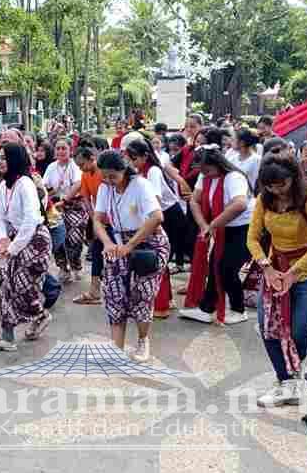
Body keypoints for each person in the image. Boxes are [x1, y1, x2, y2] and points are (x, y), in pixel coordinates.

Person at [247, 156, 307, 407]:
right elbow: (252, 239)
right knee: (269, 327)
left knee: (297, 330)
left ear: (293, 178)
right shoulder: (265, 201)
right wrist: (267, 268)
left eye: (281, 185)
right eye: (270, 186)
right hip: (275, 271)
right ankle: (285, 381)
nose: (277, 191)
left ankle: (295, 372)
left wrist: (294, 272)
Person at [91, 151, 169, 362]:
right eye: (104, 176)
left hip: (148, 244)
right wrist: (107, 242)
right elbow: (97, 220)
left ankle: (143, 341)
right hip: (117, 243)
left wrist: (130, 245)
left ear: (124, 170)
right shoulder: (104, 189)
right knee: (114, 295)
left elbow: (156, 217)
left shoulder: (140, 185)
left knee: (141, 295)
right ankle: (117, 348)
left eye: (112, 176)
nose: (108, 181)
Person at [0, 143, 53, 351]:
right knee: (5, 285)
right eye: (0, 157)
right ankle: (7, 336)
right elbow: (0, 217)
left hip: (36, 240)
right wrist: (3, 239)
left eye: (5, 157)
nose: (0, 161)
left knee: (22, 285)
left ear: (16, 160)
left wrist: (12, 248)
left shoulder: (25, 184)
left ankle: (40, 314)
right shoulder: (4, 186)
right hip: (16, 238)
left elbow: (31, 220)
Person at [180, 146, 254, 325]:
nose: (204, 174)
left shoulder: (233, 177)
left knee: (226, 270)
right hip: (223, 227)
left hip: (244, 228)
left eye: (207, 170)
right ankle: (207, 308)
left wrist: (212, 225)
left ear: (218, 164)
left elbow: (239, 204)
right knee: (215, 266)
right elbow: (194, 201)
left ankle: (238, 309)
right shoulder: (204, 177)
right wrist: (204, 225)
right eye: (201, 171)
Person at [125, 139, 186, 319]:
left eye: (134, 158)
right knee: (162, 263)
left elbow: (156, 202)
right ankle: (165, 300)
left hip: (168, 217)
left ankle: (162, 305)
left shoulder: (152, 171)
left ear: (145, 156)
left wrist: (149, 227)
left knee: (160, 261)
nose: (131, 162)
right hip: (160, 216)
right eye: (129, 159)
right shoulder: (141, 171)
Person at [43, 138, 85, 284]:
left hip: (74, 206)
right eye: (58, 148)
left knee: (74, 238)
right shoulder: (51, 167)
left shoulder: (75, 166)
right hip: (55, 207)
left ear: (70, 150)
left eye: (64, 148)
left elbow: (78, 184)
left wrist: (65, 199)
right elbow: (45, 186)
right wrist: (51, 195)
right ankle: (63, 267)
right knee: (57, 239)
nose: (60, 151)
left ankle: (76, 265)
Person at [73, 146, 104, 304]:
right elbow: (86, 198)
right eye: (79, 166)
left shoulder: (104, 172)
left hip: (113, 220)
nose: (81, 168)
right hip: (99, 218)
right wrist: (94, 219)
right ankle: (94, 290)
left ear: (92, 158)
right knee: (97, 252)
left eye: (82, 164)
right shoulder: (85, 174)